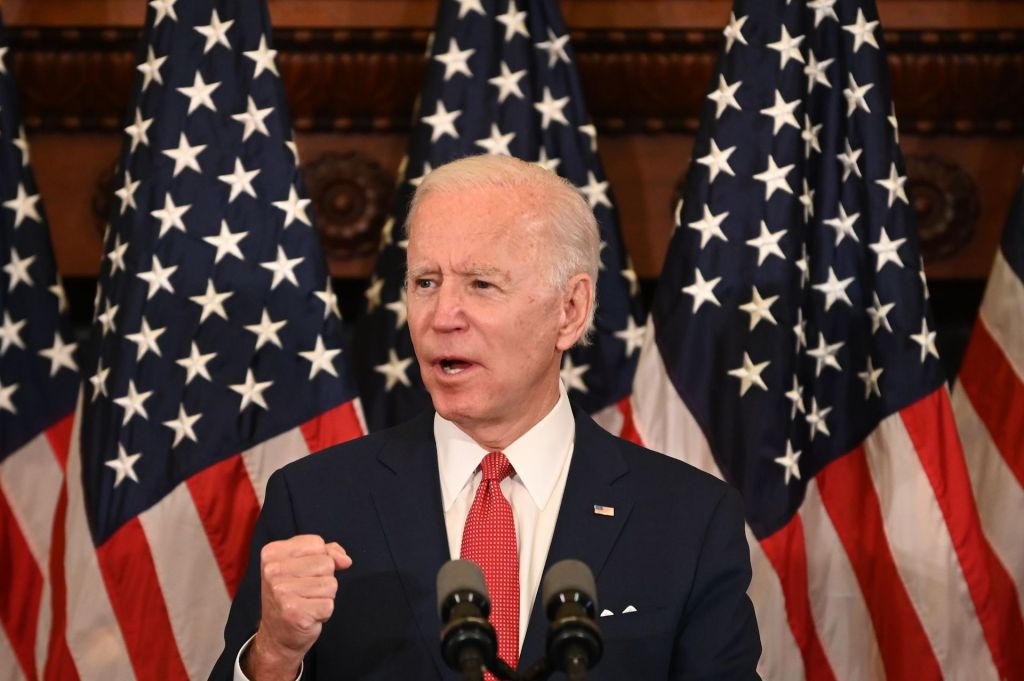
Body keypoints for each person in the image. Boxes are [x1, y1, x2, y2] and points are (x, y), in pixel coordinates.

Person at [210, 154, 761, 680]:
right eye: (426, 282)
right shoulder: (314, 501)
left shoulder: (689, 519)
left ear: (570, 311)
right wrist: (275, 655)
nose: (442, 316)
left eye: (481, 284)